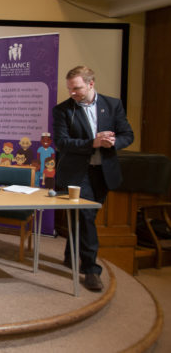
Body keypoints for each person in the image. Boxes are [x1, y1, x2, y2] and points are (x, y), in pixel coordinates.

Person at [53, 66, 133, 292]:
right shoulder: (63, 110)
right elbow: (62, 143)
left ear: (91, 84)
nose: (72, 93)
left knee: (84, 217)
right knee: (86, 216)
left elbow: (128, 134)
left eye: (76, 88)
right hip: (77, 174)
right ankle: (91, 269)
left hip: (103, 172)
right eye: (69, 89)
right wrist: (93, 143)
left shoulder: (112, 105)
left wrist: (114, 142)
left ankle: (71, 254)